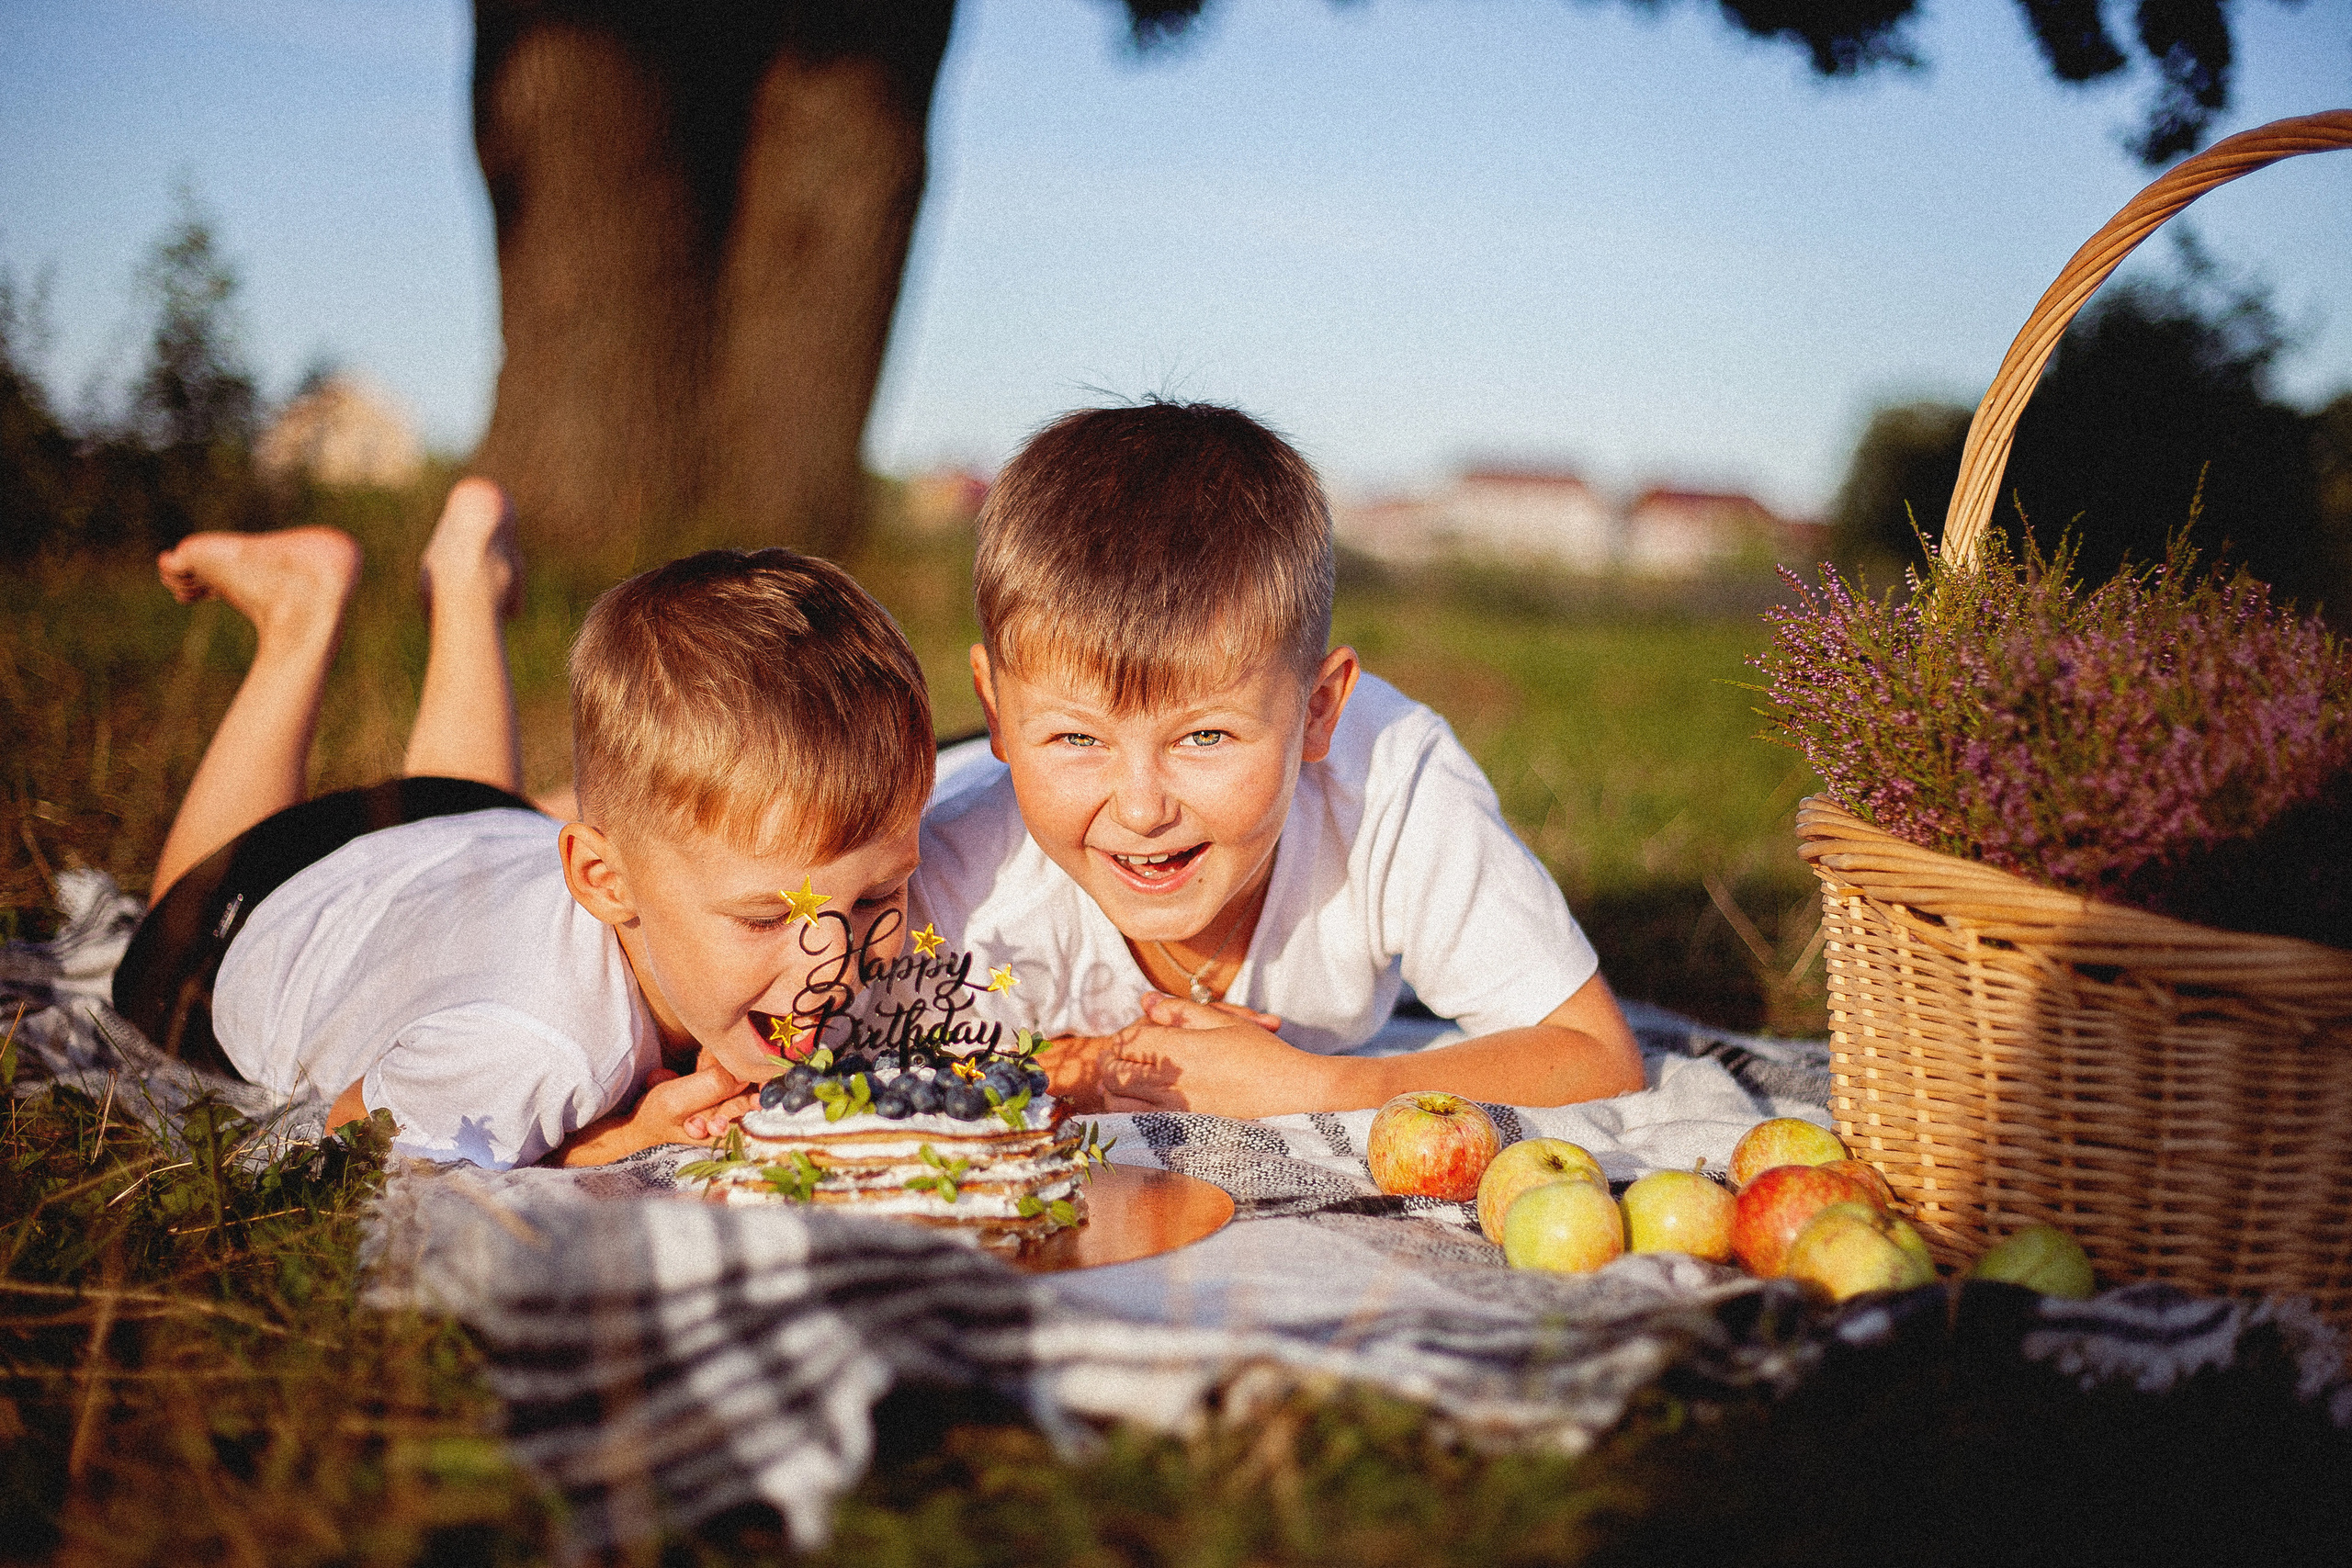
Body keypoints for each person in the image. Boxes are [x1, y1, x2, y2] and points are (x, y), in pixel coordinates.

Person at [111, 479, 933, 1168]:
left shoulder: (668, 889)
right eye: (763, 918)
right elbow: (351, 1139)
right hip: (257, 911)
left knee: (467, 796)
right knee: (165, 930)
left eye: (875, 898)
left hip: (472, 832)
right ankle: (298, 617)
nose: (833, 961)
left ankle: (468, 579)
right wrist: (618, 1138)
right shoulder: (532, 1051)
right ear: (604, 881)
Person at [899, 400, 1646, 1118]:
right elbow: (863, 1063)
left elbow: (1597, 1053)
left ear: (1318, 710)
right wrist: (1097, 1068)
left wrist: (1316, 1086)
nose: (1141, 808)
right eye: (1077, 738)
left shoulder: (1392, 785)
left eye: (1205, 737)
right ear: (997, 711)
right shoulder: (954, 881)